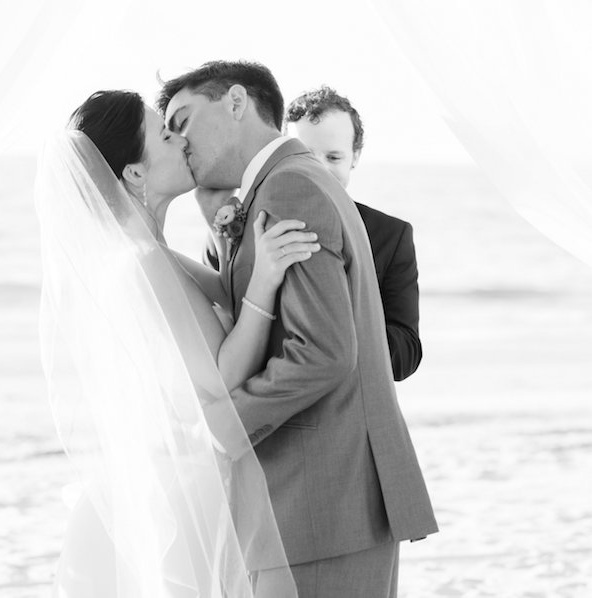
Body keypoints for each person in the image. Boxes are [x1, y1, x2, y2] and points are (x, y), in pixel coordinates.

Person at [158, 61, 437, 598]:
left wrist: (222, 425)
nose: (179, 140)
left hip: (320, 504)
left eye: (183, 119)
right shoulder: (286, 181)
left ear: (236, 102)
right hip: (318, 504)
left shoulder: (290, 188)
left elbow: (324, 353)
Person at [36, 89, 321, 596]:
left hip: (174, 487)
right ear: (135, 174)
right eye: (165, 134)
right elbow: (223, 374)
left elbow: (223, 295)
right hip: (187, 498)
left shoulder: (145, 254)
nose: (182, 139)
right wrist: (268, 279)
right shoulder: (142, 262)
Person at [286, 86, 422, 381]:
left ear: (355, 157)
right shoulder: (248, 225)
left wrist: (338, 320)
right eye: (304, 155)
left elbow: (406, 356)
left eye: (333, 157)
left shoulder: (391, 235)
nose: (318, 169)